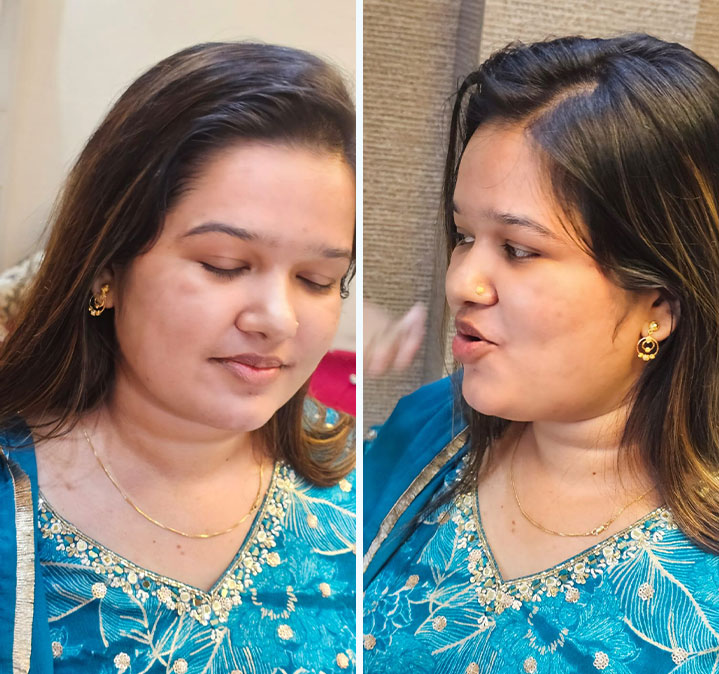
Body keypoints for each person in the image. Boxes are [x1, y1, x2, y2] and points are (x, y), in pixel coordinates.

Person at [363, 34, 719, 673]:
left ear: (660, 306)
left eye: (520, 250)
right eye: (464, 236)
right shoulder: (428, 430)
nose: (462, 283)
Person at [0, 42, 356, 673]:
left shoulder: (372, 490)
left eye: (317, 280)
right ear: (107, 268)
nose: (278, 318)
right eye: (225, 265)